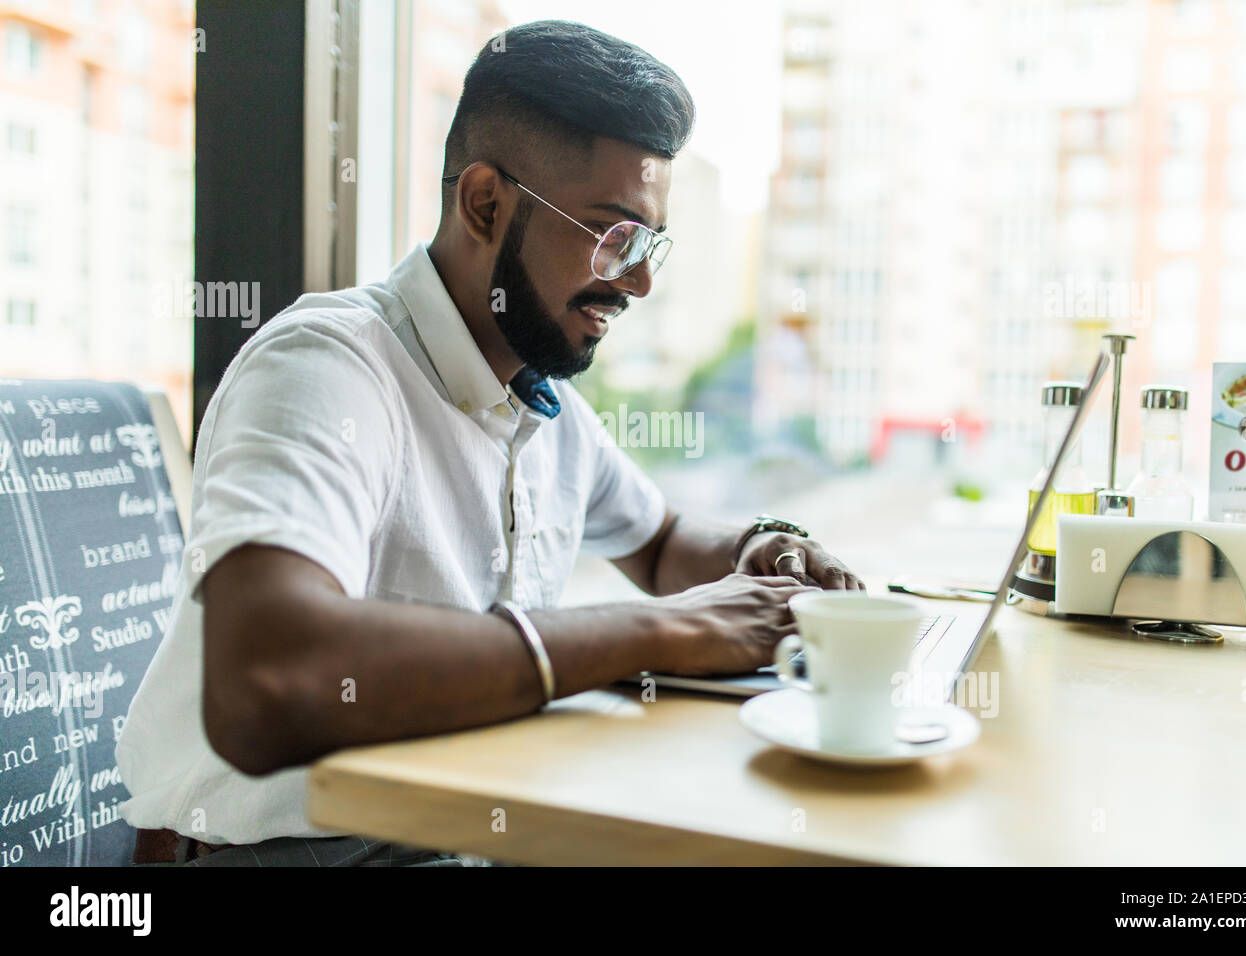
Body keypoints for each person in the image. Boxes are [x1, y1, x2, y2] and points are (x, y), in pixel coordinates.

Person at [118, 19, 864, 867]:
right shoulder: (328, 368)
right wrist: (662, 634)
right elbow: (267, 682)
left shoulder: (543, 404)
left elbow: (657, 545)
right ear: (485, 203)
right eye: (616, 235)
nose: (642, 281)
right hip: (299, 846)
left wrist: (762, 549)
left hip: (460, 825)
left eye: (652, 244)